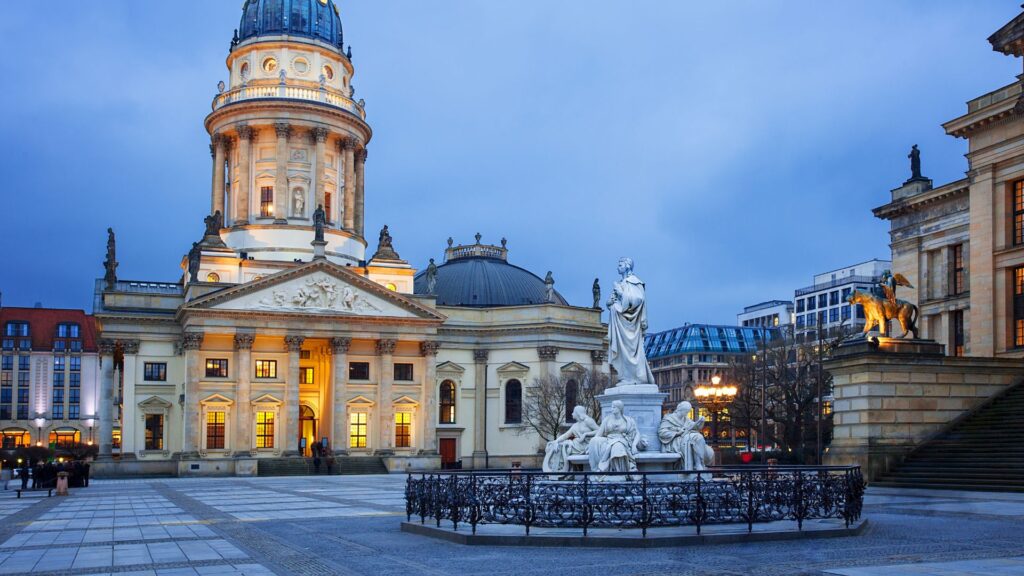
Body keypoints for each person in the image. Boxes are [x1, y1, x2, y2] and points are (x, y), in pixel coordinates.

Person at [607, 258, 655, 385]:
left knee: (632, 350)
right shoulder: (620, 283)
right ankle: (626, 377)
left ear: (627, 266)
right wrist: (611, 302)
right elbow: (612, 302)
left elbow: (638, 299)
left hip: (631, 324)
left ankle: (635, 377)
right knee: (623, 353)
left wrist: (621, 293)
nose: (618, 267)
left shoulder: (635, 282)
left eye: (620, 264)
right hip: (620, 323)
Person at [658, 401, 714, 472]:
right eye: (686, 411)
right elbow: (662, 433)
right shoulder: (668, 418)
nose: (687, 413)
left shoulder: (685, 419)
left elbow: (694, 427)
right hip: (674, 441)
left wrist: (700, 422)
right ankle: (697, 464)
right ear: (681, 409)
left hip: (686, 437)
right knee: (695, 437)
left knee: (697, 436)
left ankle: (698, 463)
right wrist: (677, 433)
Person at [588, 400, 641, 475]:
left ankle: (615, 472)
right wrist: (590, 444)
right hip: (608, 439)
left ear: (619, 408)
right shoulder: (607, 419)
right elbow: (598, 434)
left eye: (614, 407)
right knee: (594, 440)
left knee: (617, 446)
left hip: (622, 440)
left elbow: (636, 433)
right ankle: (597, 468)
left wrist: (634, 445)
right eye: (611, 407)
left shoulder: (628, 420)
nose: (611, 409)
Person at [542, 405, 599, 473]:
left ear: (578, 413)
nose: (572, 414)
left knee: (564, 446)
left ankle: (560, 469)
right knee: (559, 445)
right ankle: (558, 469)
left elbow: (599, 430)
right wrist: (556, 441)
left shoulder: (588, 421)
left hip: (586, 445)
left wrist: (586, 434)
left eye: (573, 412)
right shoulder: (575, 425)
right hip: (577, 444)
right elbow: (566, 435)